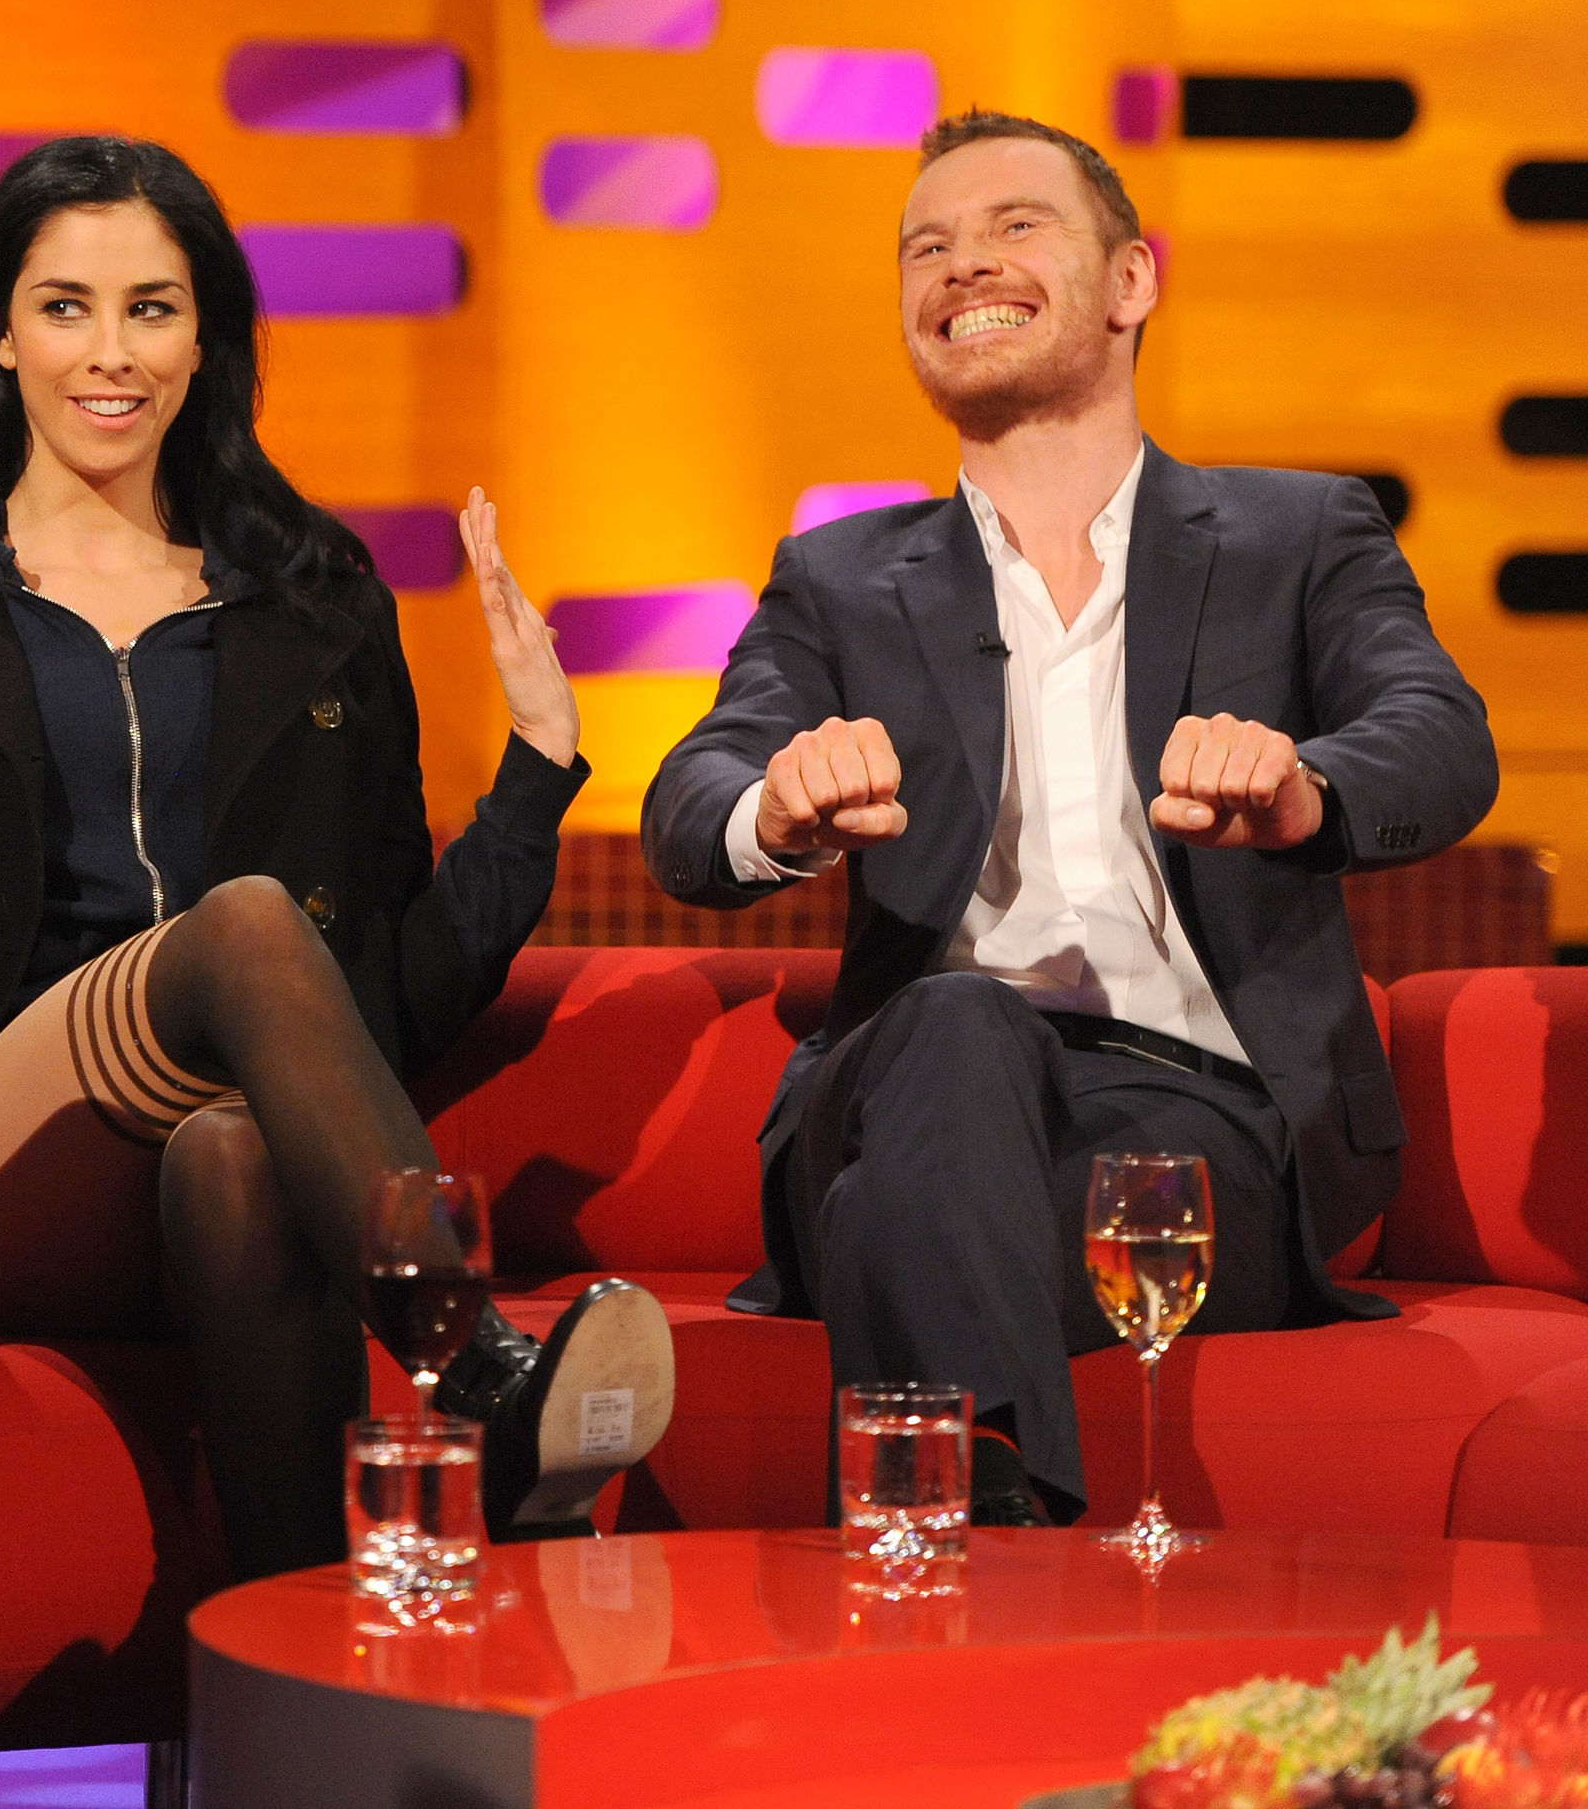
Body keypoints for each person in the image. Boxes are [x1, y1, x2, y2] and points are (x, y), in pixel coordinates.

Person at [0, 135, 674, 1580]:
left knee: (240, 1152)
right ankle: (471, 1363)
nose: (108, 352)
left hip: (216, 1153)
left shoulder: (321, 610)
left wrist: (536, 779)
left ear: (205, 339)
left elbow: (386, 995)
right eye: (65, 305)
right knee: (244, 925)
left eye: (152, 307)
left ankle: (298, 1691)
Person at [641, 110, 1496, 1526]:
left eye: (1012, 227)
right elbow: (694, 795)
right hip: (906, 1075)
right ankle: (1014, 1565)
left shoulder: (1299, 537)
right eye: (927, 246)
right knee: (963, 1024)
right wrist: (775, 813)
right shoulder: (841, 577)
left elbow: (1439, 734)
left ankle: (954, 1539)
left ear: (1132, 282)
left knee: (896, 1222)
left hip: (1201, 1112)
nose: (960, 265)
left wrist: (1303, 789)